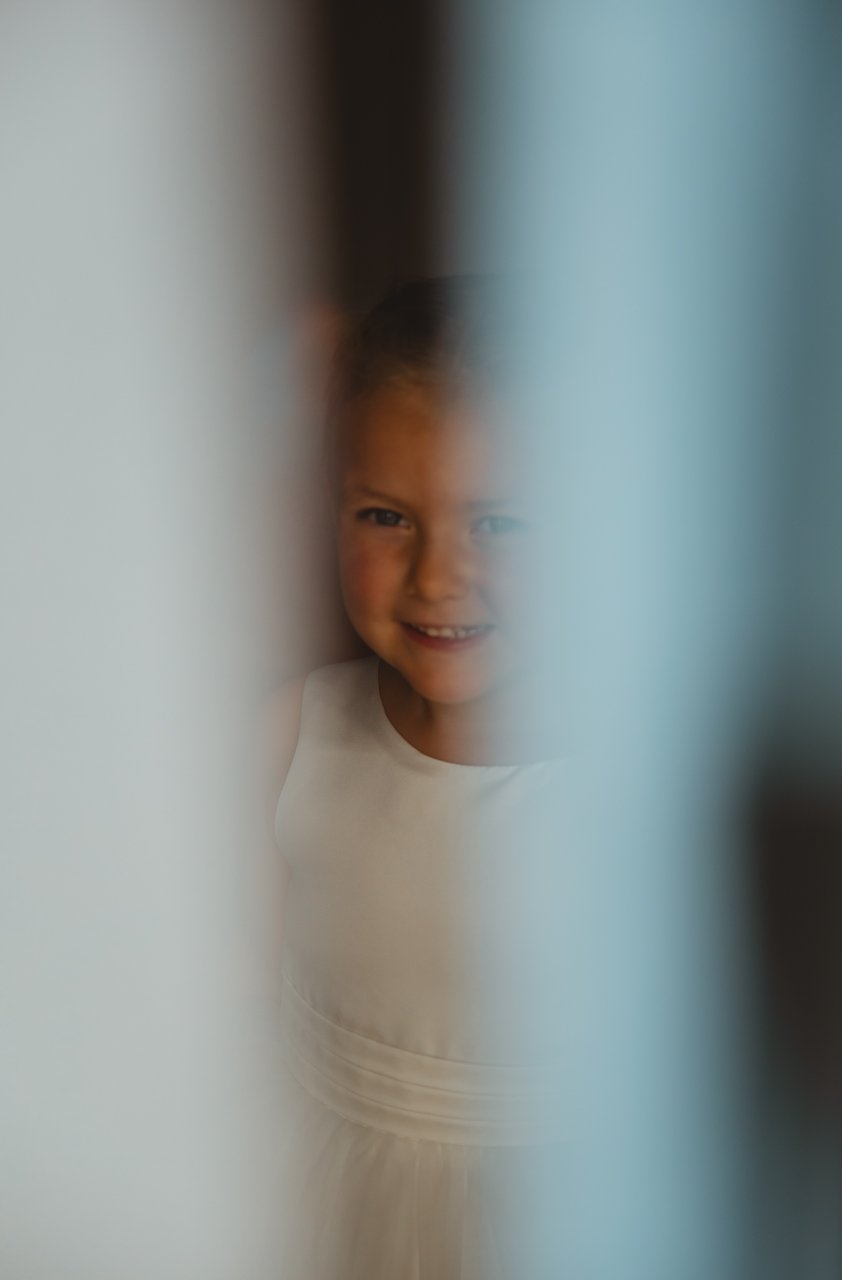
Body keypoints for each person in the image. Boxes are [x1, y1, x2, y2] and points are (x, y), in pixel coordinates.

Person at [263, 277, 571, 1279]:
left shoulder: (648, 780)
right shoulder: (286, 735)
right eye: (386, 515)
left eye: (503, 523)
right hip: (324, 1212)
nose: (438, 576)